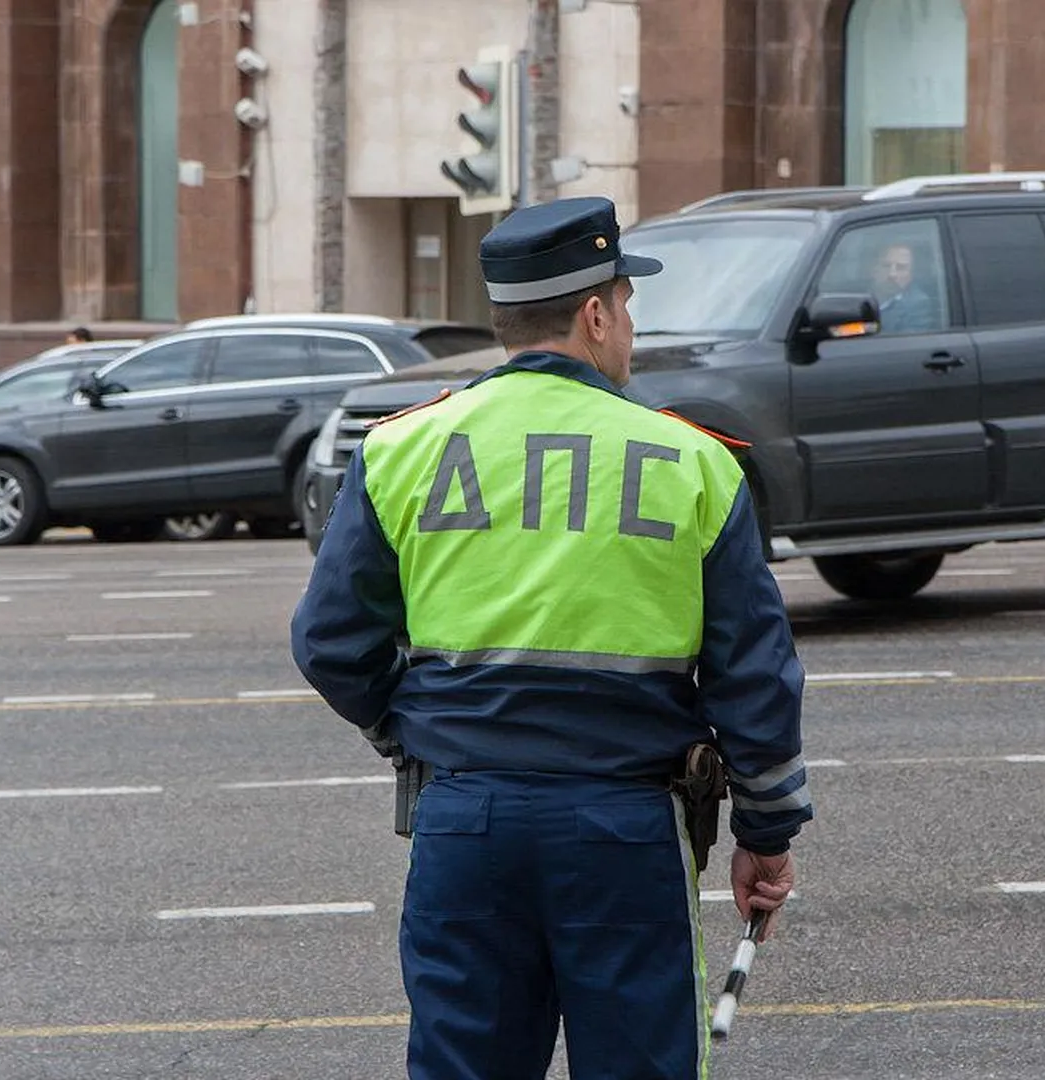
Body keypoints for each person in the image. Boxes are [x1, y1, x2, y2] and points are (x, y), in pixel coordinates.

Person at [290, 195, 812, 1079]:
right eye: (628, 308)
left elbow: (330, 643)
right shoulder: (691, 462)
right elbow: (752, 677)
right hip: (625, 832)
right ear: (596, 313)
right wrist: (768, 830)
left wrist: (409, 731)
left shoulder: (402, 448)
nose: (630, 332)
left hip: (462, 823)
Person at [870, 242, 939, 333]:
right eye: (886, 266)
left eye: (901, 268)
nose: (892, 274)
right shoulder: (856, 294)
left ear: (911, 274)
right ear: (873, 269)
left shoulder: (918, 304)